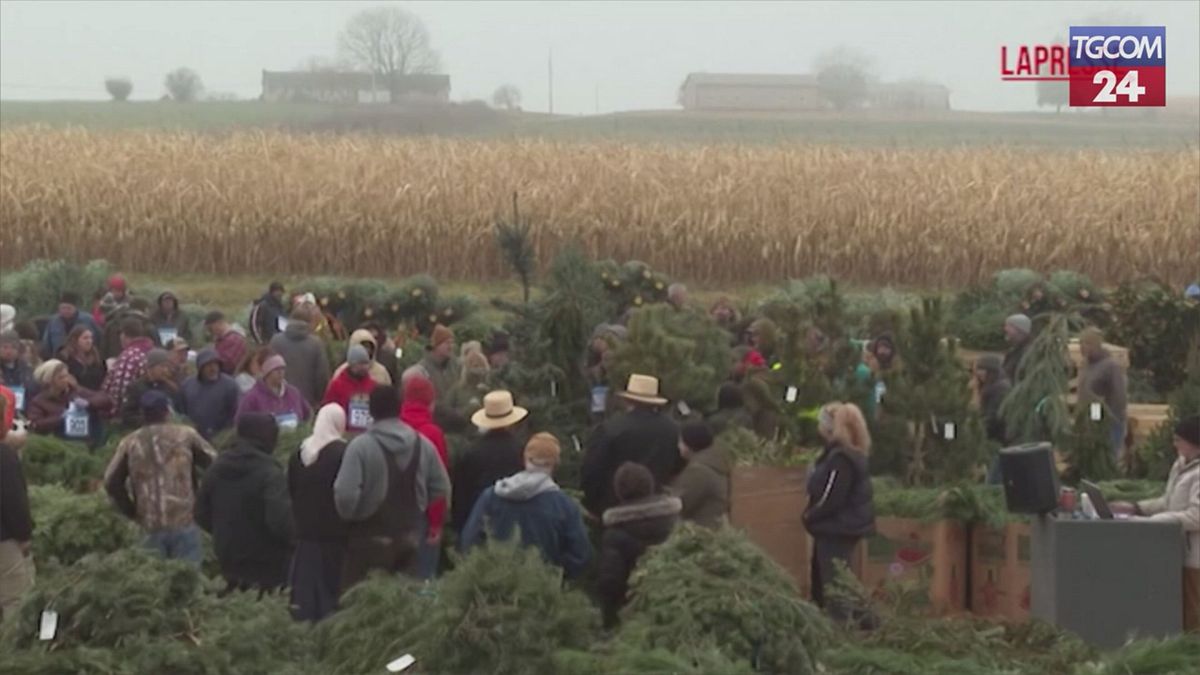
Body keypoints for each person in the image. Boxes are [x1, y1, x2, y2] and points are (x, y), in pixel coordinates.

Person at [333, 386, 451, 590]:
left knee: (360, 604)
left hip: (367, 544)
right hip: (409, 541)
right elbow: (442, 486)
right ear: (399, 407)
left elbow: (344, 495)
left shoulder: (360, 447)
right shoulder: (422, 444)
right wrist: (420, 504)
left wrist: (354, 515)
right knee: (404, 602)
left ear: (370, 412)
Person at [103, 390, 214, 564]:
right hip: (184, 520)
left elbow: (111, 481)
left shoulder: (130, 442)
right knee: (188, 577)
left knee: (154, 577)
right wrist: (204, 502)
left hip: (149, 524)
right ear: (167, 411)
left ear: (142, 414)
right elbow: (216, 466)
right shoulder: (186, 435)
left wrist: (131, 510)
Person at [1111, 416, 1200, 633]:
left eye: (1179, 440)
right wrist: (1136, 507)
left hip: (1195, 557)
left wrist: (1155, 522)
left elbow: (1196, 516)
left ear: (1194, 442)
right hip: (1177, 549)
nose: (1175, 444)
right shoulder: (1180, 465)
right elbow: (1168, 502)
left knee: (1194, 614)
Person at [460, 432, 592, 576]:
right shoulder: (564, 505)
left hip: (494, 582)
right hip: (543, 585)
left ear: (525, 459)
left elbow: (469, 541)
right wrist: (555, 573)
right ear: (555, 464)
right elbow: (580, 554)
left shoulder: (491, 496)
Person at [197, 413, 294, 593]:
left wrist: (223, 530)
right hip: (268, 561)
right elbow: (280, 520)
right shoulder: (270, 473)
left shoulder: (217, 467)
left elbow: (201, 512)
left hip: (228, 556)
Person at [804, 402, 875, 624]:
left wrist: (811, 515)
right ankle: (866, 622)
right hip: (844, 525)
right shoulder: (852, 454)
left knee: (835, 583)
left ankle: (842, 626)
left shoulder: (841, 459)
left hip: (836, 526)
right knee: (844, 579)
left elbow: (832, 496)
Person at [582, 374, 682, 516]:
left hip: (616, 507)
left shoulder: (611, 428)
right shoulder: (672, 429)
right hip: (658, 505)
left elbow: (592, 469)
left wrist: (592, 504)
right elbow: (678, 464)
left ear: (627, 400)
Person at [596, 462, 682, 628]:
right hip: (673, 607)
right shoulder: (675, 524)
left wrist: (608, 621)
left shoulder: (615, 535)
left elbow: (611, 582)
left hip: (632, 615)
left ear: (619, 492)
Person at [288, 404, 350, 622]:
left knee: (304, 593)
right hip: (334, 535)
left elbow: (292, 489)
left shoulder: (300, 452)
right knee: (330, 595)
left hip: (305, 534)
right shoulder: (342, 453)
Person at [451, 390, 528, 532]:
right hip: (516, 524)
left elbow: (460, 496)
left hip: (479, 523)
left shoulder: (471, 452)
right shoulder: (522, 451)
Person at [400, 376, 450, 579]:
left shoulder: (393, 429)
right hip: (423, 515)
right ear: (430, 402)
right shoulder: (433, 434)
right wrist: (436, 522)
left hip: (393, 514)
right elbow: (438, 482)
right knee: (423, 577)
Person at [0, 393, 34, 621]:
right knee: (15, 599)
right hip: (3, 541)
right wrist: (24, 536)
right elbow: (13, 501)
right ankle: (12, 641)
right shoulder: (4, 456)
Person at [27, 359, 113, 443]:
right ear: (49, 381)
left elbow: (106, 400)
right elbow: (36, 424)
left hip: (87, 441)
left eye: (66, 375)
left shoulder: (76, 391)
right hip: (59, 442)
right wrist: (61, 418)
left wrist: (89, 403)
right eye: (61, 377)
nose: (66, 380)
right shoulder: (38, 402)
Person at [1077, 328, 1128, 461]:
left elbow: (1119, 397)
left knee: (1108, 458)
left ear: (1096, 345)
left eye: (1087, 343)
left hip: (1110, 421)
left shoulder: (1110, 366)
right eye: (1080, 343)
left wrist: (1108, 419)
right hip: (1090, 419)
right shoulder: (1086, 365)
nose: (1082, 347)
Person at [669, 421, 730, 529]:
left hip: (699, 529)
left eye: (681, 442)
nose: (678, 446)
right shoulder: (712, 464)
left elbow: (679, 504)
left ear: (689, 444)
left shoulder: (698, 471)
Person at [269, 307, 332, 406]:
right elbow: (322, 377)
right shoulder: (316, 344)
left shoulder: (275, 341)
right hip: (307, 401)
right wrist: (319, 399)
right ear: (311, 322)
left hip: (278, 400)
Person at [179, 348, 241, 440]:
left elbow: (236, 414)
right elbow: (181, 411)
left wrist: (225, 435)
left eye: (215, 364)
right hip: (194, 436)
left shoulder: (230, 386)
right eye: (208, 365)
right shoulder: (187, 385)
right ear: (200, 367)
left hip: (221, 438)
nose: (213, 368)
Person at [237, 354, 311, 429]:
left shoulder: (294, 393)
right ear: (267, 373)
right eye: (276, 369)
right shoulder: (252, 397)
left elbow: (307, 414)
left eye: (282, 369)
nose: (280, 372)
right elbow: (240, 422)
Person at [103, 318, 156, 415]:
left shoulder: (129, 357)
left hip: (130, 413)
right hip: (150, 410)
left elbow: (121, 390)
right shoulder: (152, 351)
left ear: (123, 335)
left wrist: (116, 413)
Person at [322, 346, 378, 433]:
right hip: (344, 432)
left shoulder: (373, 385)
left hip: (368, 433)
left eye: (366, 363)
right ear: (351, 364)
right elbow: (328, 410)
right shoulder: (337, 385)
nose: (364, 367)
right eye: (360, 364)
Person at [976, 355, 1014, 484]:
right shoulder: (992, 387)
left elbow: (994, 417)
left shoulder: (999, 389)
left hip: (1000, 440)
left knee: (994, 479)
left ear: (991, 371)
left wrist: (978, 430)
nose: (979, 373)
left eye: (982, 369)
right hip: (996, 439)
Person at [120, 349, 181, 428]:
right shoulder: (136, 387)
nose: (165, 370)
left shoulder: (170, 387)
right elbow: (127, 415)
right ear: (150, 368)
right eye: (162, 366)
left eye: (167, 367)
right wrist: (148, 421)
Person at [40, 292, 101, 360]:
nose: (66, 311)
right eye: (63, 308)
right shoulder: (53, 321)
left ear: (75, 308)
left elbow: (98, 339)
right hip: (59, 358)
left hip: (83, 359)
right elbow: (46, 343)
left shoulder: (87, 320)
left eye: (69, 308)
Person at [416, 325, 460, 416]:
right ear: (436, 345)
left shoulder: (455, 364)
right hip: (434, 415)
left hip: (454, 415)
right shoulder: (423, 368)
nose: (450, 346)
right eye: (447, 343)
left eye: (452, 343)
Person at [445, 351, 490, 428]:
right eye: (475, 366)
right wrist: (468, 409)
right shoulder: (457, 389)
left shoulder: (489, 388)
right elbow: (448, 414)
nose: (478, 371)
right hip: (463, 430)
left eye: (481, 367)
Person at [59, 324, 107, 391]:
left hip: (95, 394)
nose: (89, 341)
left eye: (91, 338)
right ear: (75, 340)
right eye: (85, 338)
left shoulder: (96, 358)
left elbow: (103, 377)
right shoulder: (65, 358)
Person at [205, 311, 248, 377]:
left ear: (219, 323)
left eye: (210, 328)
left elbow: (228, 365)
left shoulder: (234, 339)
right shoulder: (222, 339)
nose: (211, 332)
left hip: (232, 378)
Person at [1, 332, 34, 412]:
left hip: (24, 410)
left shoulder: (26, 368)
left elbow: (33, 390)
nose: (9, 351)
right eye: (5, 347)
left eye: (13, 347)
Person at [250, 281, 288, 345]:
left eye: (281, 291)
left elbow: (284, 325)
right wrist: (260, 342)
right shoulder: (262, 305)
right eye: (277, 291)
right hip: (267, 343)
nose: (280, 294)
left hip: (280, 343)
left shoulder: (281, 307)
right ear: (272, 292)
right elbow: (254, 324)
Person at [1002, 314, 1033, 384]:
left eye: (1009, 326)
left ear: (1020, 330)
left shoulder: (1029, 352)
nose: (1005, 328)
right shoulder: (1013, 351)